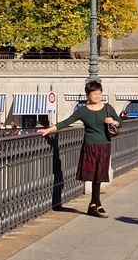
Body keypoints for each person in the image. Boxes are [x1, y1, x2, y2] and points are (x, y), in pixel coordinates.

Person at [40, 79, 121, 217]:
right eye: (93, 93)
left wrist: (113, 121)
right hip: (90, 145)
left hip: (104, 145)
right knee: (94, 174)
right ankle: (95, 204)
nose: (96, 95)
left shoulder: (108, 108)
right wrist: (49, 130)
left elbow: (120, 122)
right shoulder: (82, 111)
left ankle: (96, 204)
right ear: (88, 95)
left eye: (98, 92)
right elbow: (66, 122)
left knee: (99, 175)